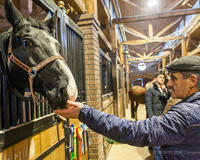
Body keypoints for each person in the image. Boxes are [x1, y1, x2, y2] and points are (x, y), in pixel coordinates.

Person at [54, 56, 200, 159]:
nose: (168, 84)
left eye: (174, 79)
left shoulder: (186, 114)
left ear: (192, 81)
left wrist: (84, 112)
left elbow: (133, 130)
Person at [145, 72, 171, 159]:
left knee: (162, 140)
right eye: (160, 77)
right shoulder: (150, 90)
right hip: (155, 118)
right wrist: (151, 119)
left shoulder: (164, 89)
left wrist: (165, 90)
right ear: (156, 79)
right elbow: (148, 105)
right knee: (156, 141)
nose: (162, 79)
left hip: (164, 117)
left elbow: (168, 98)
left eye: (163, 77)